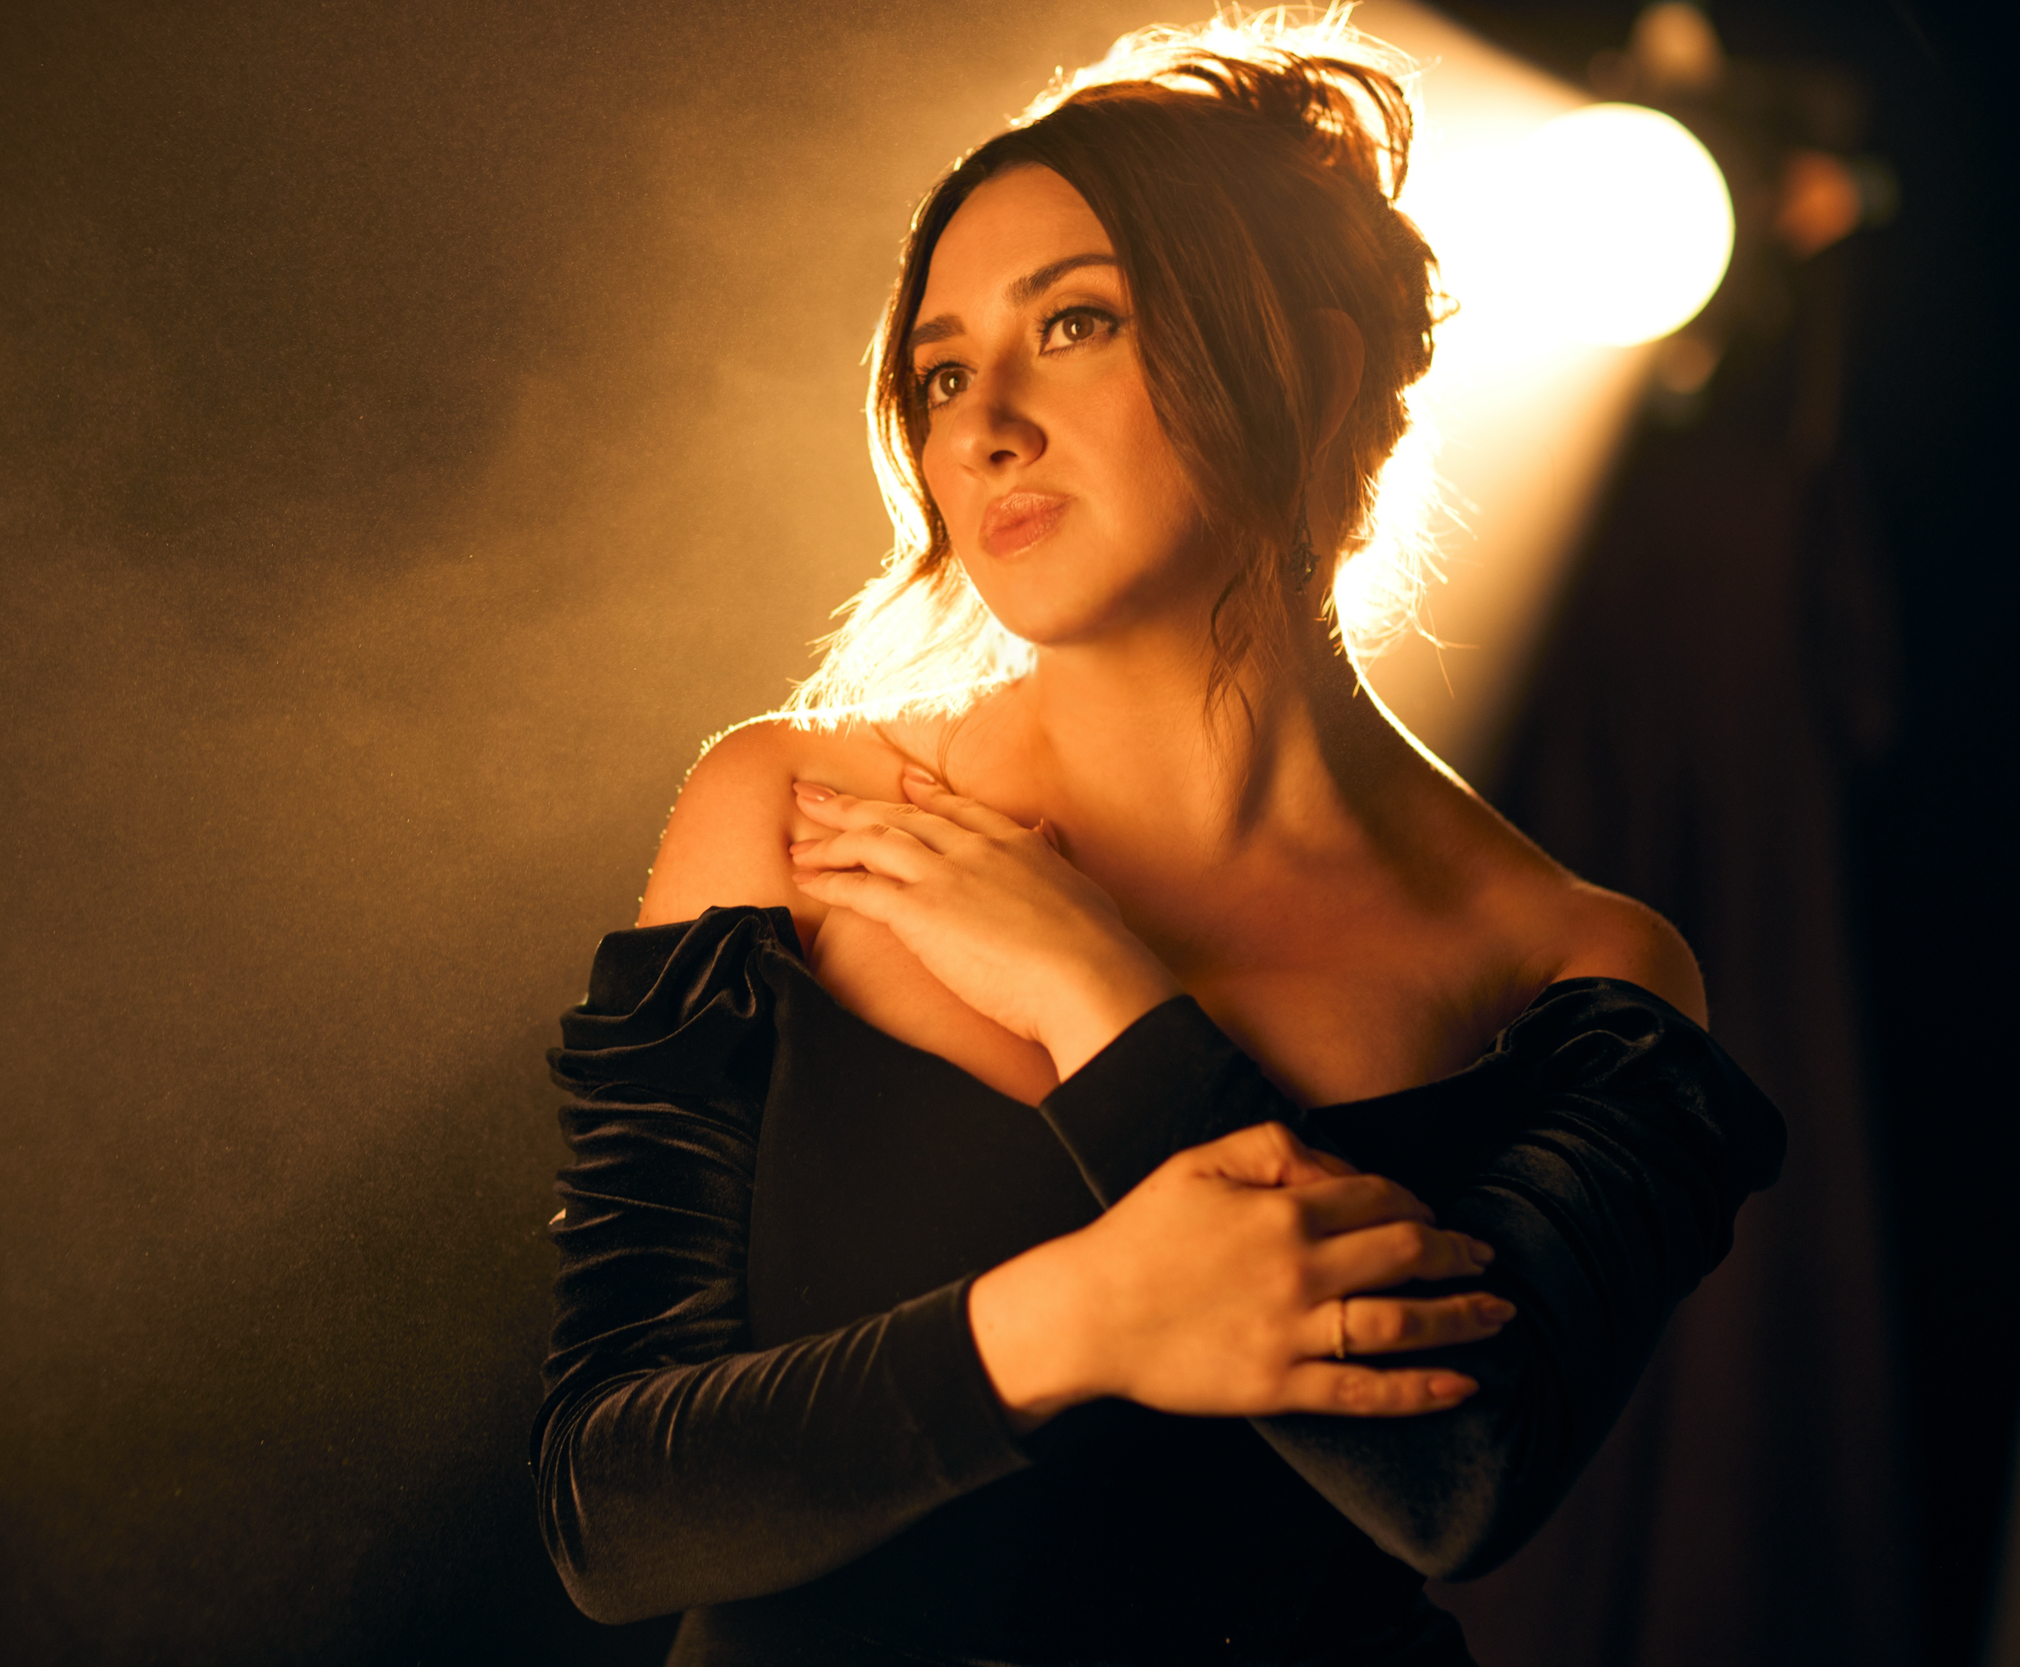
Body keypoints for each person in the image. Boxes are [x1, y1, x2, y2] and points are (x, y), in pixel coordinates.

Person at [533, 20, 1783, 1665]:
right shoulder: (789, 816)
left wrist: (1105, 1002)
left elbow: (1460, 1478)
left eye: (1076, 322)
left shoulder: (1575, 972)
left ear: (1314, 370)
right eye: (943, 372)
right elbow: (606, 1507)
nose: (983, 425)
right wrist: (1075, 1316)